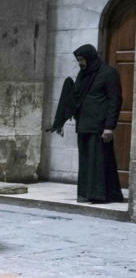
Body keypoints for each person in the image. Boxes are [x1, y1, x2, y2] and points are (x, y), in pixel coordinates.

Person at [47, 44, 125, 203]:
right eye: (78, 60)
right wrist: (69, 87)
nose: (80, 63)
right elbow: (78, 96)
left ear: (90, 57)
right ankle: (86, 193)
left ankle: (101, 195)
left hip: (100, 126)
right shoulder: (83, 74)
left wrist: (109, 127)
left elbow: (114, 101)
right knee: (86, 161)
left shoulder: (108, 73)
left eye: (82, 59)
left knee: (100, 160)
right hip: (83, 124)